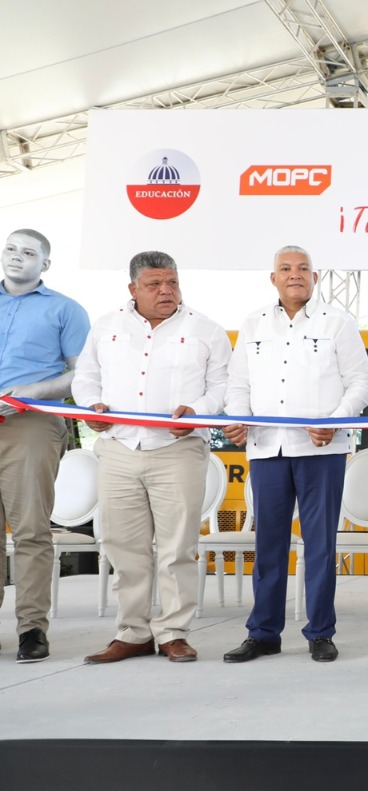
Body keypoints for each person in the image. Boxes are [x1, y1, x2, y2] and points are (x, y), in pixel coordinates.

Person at [72, 251, 230, 664]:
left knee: (177, 547)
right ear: (133, 289)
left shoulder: (206, 330)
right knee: (123, 546)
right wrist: (91, 406)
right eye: (155, 284)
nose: (166, 291)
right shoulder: (106, 327)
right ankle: (133, 633)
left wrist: (198, 412)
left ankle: (174, 633)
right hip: (118, 449)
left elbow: (222, 386)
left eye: (172, 282)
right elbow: (85, 377)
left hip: (178, 450)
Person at [221, 246, 368, 663]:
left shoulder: (338, 322)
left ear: (315, 277)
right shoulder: (253, 324)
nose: (295, 274)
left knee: (320, 545)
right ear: (273, 278)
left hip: (321, 448)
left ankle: (320, 632)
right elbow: (237, 384)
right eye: (285, 268)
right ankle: (263, 633)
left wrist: (336, 421)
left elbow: (361, 383)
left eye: (303, 268)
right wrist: (238, 419)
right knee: (269, 543)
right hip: (267, 447)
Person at [0, 228, 90, 663]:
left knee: (30, 529)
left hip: (30, 423)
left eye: (28, 252)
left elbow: (82, 375)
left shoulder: (65, 309)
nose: (17, 257)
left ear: (45, 264)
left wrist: (31, 393)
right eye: (10, 249)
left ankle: (31, 628)